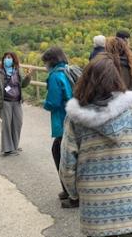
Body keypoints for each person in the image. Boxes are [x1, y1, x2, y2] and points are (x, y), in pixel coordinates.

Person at [60, 53, 132, 237]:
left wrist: (76, 195)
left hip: (96, 218)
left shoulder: (75, 119)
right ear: (116, 80)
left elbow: (67, 166)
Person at [41, 46, 78, 209]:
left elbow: (53, 102)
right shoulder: (68, 70)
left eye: (45, 62)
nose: (45, 65)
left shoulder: (55, 76)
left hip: (63, 120)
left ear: (51, 60)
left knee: (61, 156)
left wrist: (45, 104)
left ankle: (72, 194)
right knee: (67, 155)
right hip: (73, 116)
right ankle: (68, 190)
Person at [0, 52, 32, 155]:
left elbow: (23, 85)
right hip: (5, 102)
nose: (6, 60)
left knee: (18, 123)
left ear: (14, 60)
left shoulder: (17, 70)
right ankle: (7, 149)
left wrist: (28, 77)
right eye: (5, 58)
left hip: (17, 101)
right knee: (7, 125)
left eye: (9, 58)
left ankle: (14, 146)